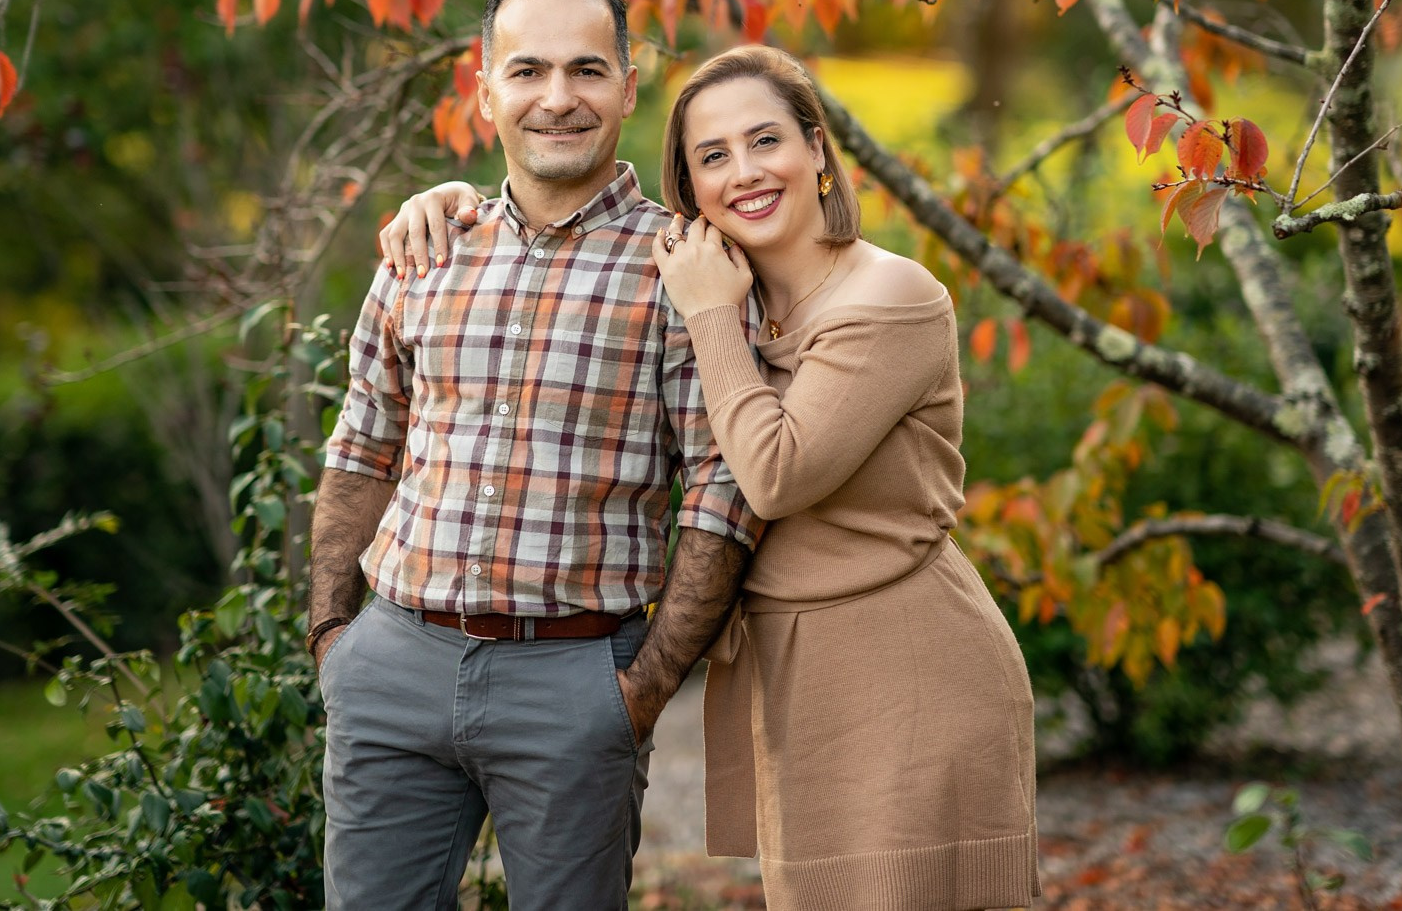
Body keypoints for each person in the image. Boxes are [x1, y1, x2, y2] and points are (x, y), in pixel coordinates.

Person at [386, 44, 1040, 910]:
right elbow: (553, 229)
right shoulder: (731, 297)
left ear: (816, 147)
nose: (746, 172)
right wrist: (452, 202)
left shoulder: (889, 297)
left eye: (766, 140)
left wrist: (706, 314)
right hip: (800, 673)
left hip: (906, 665)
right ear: (689, 192)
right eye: (713, 157)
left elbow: (772, 473)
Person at [308, 0, 763, 911]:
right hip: (392, 661)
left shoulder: (684, 265)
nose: (558, 98)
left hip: (577, 681)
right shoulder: (425, 249)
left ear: (630, 88)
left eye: (588, 70)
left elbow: (727, 487)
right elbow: (362, 447)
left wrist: (641, 687)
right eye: (528, 71)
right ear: (485, 89)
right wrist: (332, 638)